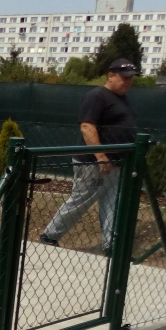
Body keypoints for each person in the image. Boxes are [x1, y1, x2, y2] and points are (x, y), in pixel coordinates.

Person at [40, 58, 139, 254]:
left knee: (112, 202)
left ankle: (111, 245)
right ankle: (50, 235)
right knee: (81, 200)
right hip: (93, 162)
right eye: (124, 77)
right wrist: (101, 156)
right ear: (110, 76)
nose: (128, 82)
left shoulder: (122, 99)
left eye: (131, 78)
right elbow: (87, 126)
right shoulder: (97, 96)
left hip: (115, 163)